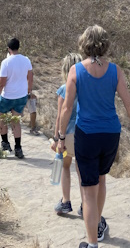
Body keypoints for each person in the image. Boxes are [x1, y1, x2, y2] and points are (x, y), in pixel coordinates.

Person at [58, 25, 130, 248]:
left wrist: (60, 136)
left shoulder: (76, 70)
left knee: (88, 189)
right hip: (111, 134)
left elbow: (67, 108)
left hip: (87, 134)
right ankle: (96, 226)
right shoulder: (115, 70)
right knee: (102, 178)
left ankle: (92, 243)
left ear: (84, 44)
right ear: (105, 43)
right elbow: (129, 102)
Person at [0, 38, 33, 159]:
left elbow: (1, 82)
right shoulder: (26, 60)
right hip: (21, 95)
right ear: (18, 47)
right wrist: (28, 91)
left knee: (2, 120)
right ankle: (18, 148)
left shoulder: (6, 62)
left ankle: (5, 144)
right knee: (16, 121)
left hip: (8, 96)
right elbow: (30, 77)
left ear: (8, 48)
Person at [52, 52, 83, 215]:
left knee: (65, 167)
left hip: (68, 133)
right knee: (82, 170)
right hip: (84, 132)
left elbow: (60, 116)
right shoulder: (86, 88)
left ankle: (65, 201)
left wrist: (57, 138)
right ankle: (86, 205)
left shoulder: (64, 89)